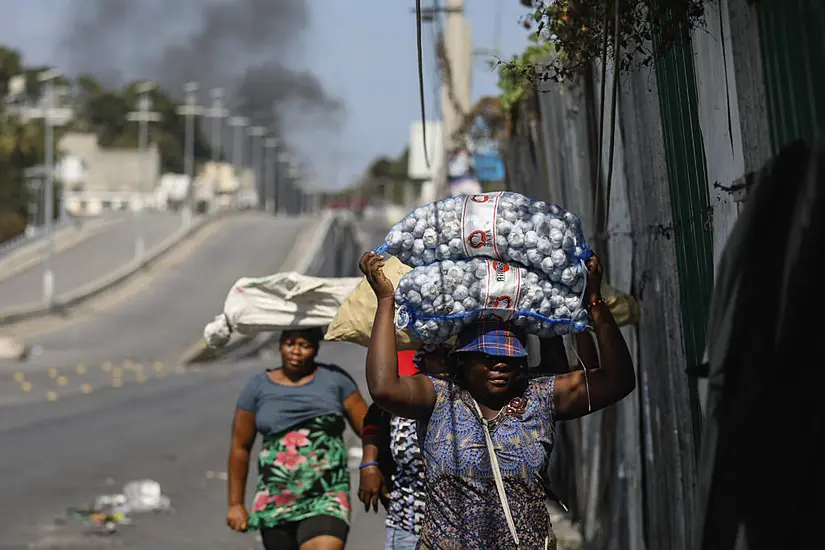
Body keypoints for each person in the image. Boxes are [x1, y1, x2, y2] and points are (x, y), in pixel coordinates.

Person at [359, 251, 635, 549]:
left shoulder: (539, 397)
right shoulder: (439, 397)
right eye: (487, 357)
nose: (500, 364)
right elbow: (384, 387)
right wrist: (386, 301)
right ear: (462, 361)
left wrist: (594, 301)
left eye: (509, 357)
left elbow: (617, 381)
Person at [226, 327, 369, 550]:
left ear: (316, 348)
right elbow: (240, 447)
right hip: (276, 499)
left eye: (304, 345)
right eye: (290, 343)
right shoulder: (258, 387)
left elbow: (369, 431)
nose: (296, 351)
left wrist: (373, 467)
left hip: (326, 495)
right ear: (280, 344)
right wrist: (235, 504)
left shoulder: (336, 381)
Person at [358, 346, 452, 549]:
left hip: (459, 528)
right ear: (423, 359)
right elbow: (374, 418)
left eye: (450, 355)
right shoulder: (405, 394)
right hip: (408, 521)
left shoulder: (472, 398)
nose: (443, 362)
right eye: (436, 355)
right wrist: (369, 463)